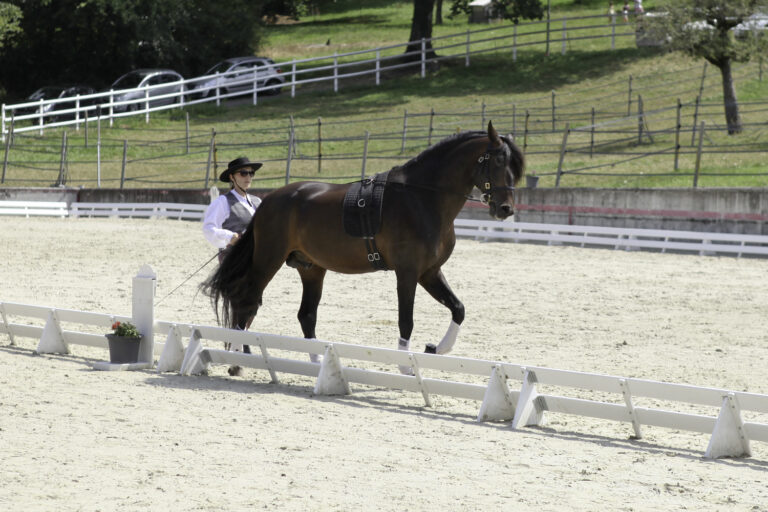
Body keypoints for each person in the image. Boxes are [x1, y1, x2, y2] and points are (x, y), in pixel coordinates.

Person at [202, 156, 263, 262]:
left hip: (257, 258)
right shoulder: (222, 201)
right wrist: (229, 236)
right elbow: (208, 229)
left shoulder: (257, 201)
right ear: (231, 177)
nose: (248, 177)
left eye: (251, 173)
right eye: (243, 173)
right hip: (234, 260)